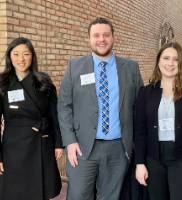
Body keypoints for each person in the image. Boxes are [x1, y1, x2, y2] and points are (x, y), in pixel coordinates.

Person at [58, 17, 143, 200]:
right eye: (96, 35)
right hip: (82, 148)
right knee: (78, 195)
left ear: (113, 38)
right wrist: (69, 141)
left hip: (118, 149)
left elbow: (139, 107)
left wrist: (136, 144)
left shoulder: (131, 68)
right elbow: (64, 106)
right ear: (89, 39)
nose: (101, 39)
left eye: (106, 35)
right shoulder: (75, 67)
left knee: (110, 197)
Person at [0, 37, 63, 200]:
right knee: (14, 192)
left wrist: (58, 144)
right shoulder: (3, 83)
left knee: (39, 192)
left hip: (41, 142)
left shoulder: (43, 81)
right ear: (9, 56)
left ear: (32, 56)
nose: (21, 59)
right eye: (16, 54)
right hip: (13, 148)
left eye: (26, 54)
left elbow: (54, 116)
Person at [135, 42, 182, 200]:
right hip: (154, 160)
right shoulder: (145, 92)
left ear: (181, 63)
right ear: (158, 61)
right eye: (166, 58)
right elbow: (140, 130)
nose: (170, 63)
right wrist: (140, 163)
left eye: (175, 59)